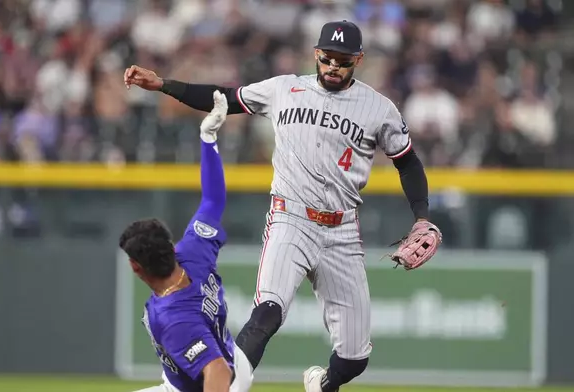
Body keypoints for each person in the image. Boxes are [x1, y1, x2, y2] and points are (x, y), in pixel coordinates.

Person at [123, 20, 443, 392]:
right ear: (316, 55)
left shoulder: (378, 108)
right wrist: (164, 84)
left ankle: (322, 384)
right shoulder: (284, 89)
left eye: (343, 60)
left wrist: (422, 217)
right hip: (291, 218)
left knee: (355, 357)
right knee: (267, 313)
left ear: (359, 60)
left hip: (342, 229)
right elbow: (221, 97)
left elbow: (408, 162)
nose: (334, 66)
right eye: (327, 57)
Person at [118, 91, 253, 392]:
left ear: (136, 267)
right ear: (170, 246)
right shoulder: (192, 251)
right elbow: (213, 199)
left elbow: (216, 372)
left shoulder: (174, 317)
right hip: (223, 366)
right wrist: (208, 139)